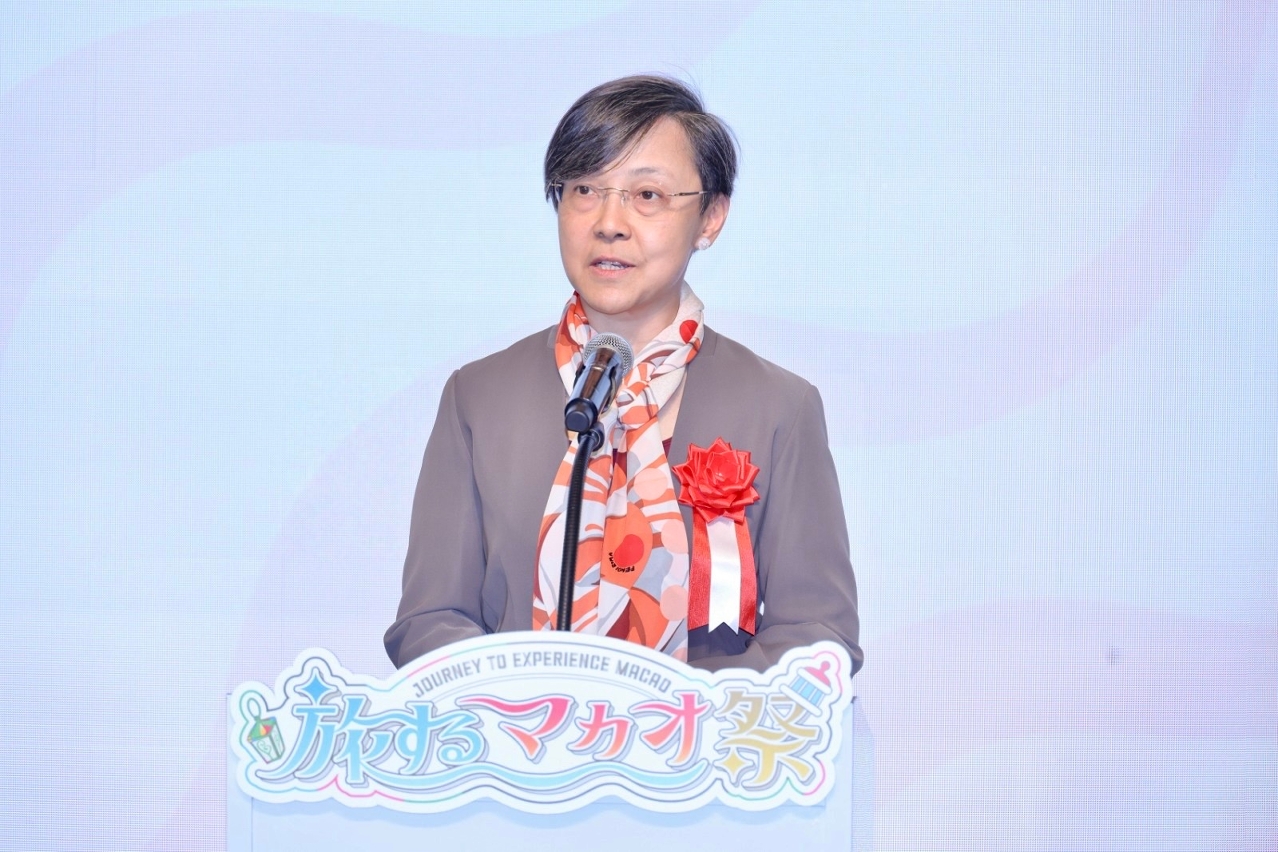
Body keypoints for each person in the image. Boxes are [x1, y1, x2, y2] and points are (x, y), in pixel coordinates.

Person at [384, 75, 861, 675]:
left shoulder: (777, 407)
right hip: (525, 732)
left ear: (711, 217)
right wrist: (526, 703)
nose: (609, 222)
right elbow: (431, 620)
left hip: (699, 734)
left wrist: (680, 713)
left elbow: (816, 634)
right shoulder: (478, 398)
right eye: (585, 189)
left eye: (647, 195)